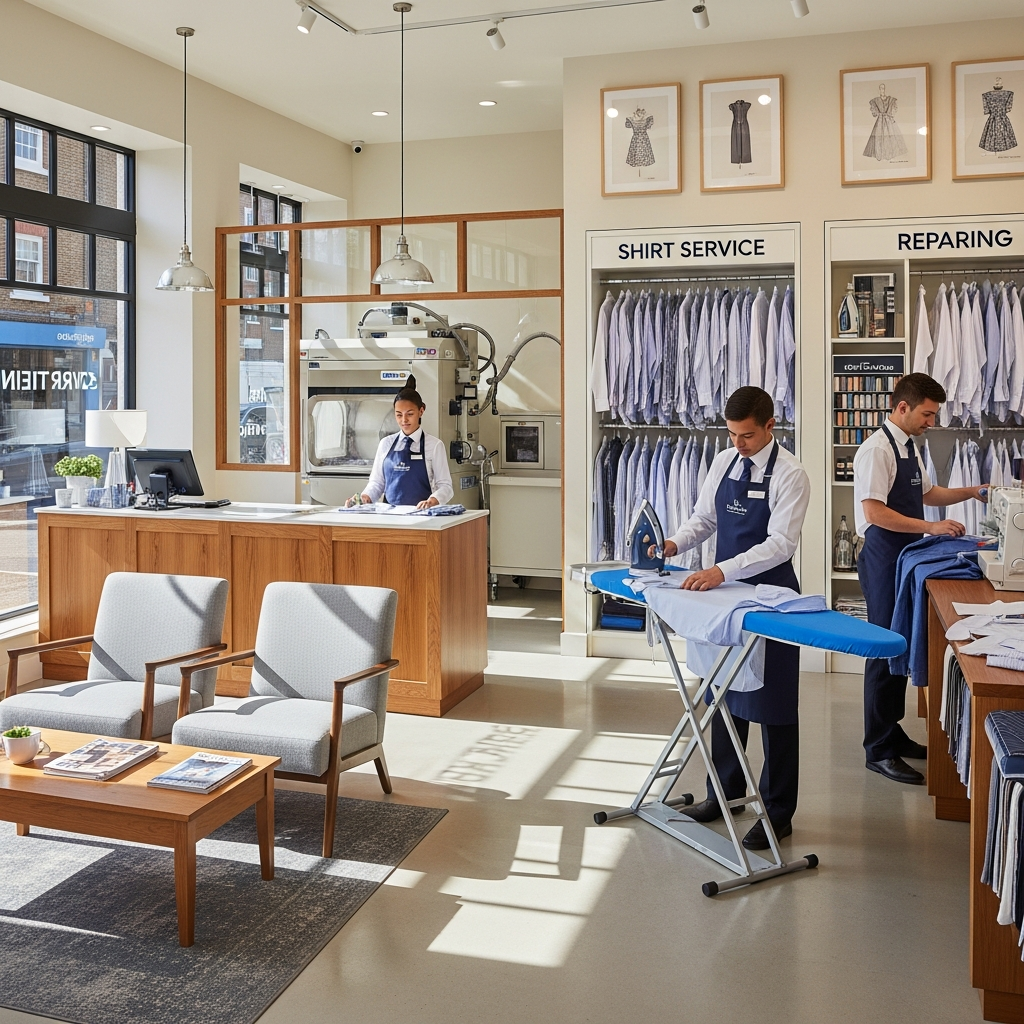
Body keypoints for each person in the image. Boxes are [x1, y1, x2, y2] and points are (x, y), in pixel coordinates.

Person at [660, 386, 811, 850]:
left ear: (770, 426)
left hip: (771, 599)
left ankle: (778, 812)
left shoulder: (792, 475)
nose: (737, 444)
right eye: (731, 434)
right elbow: (704, 519)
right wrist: (673, 544)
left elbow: (779, 545)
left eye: (746, 435)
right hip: (725, 597)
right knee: (723, 696)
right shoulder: (725, 462)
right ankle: (721, 794)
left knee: (774, 707)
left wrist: (720, 569)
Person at [853, 372, 987, 785]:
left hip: (905, 554)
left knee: (900, 642)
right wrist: (931, 529)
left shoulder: (908, 445)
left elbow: (927, 494)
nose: (932, 421)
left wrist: (973, 491)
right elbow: (874, 512)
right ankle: (877, 749)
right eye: (927, 414)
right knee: (883, 647)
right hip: (883, 555)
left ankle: (891, 732)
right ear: (902, 407)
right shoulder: (876, 450)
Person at [346, 380, 453, 509]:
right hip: (389, 516)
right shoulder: (385, 444)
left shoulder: (435, 445)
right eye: (398, 415)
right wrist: (364, 498)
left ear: (421, 411)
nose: (404, 420)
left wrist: (432, 501)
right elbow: (376, 483)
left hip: (422, 515)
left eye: (410, 414)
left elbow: (446, 486)